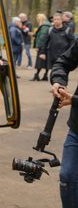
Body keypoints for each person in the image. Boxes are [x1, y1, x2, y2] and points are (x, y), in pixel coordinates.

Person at [49, 42, 78, 208]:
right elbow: (63, 62)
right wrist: (59, 81)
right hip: (77, 128)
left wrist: (73, 100)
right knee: (67, 177)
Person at [39, 13, 75, 81]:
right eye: (54, 19)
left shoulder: (67, 30)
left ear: (61, 20)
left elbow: (72, 42)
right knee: (54, 71)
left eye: (58, 19)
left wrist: (70, 52)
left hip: (64, 55)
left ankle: (62, 86)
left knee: (63, 71)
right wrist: (42, 52)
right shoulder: (50, 30)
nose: (56, 21)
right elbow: (45, 42)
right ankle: (54, 85)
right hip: (52, 55)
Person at [32, 13, 51, 81]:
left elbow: (42, 37)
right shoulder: (46, 25)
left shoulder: (44, 26)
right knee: (45, 62)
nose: (36, 20)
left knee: (40, 62)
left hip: (43, 47)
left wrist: (38, 46)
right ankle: (43, 75)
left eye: (37, 19)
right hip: (45, 46)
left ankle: (38, 75)